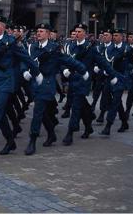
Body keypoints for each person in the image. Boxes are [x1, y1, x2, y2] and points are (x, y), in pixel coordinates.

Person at [0, 16, 41, 161]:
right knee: (1, 114)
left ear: (4, 27)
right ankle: (10, 141)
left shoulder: (11, 42)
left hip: (6, 81)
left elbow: (26, 58)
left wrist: (36, 73)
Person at [22, 23, 88, 156]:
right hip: (35, 83)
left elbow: (68, 60)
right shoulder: (32, 47)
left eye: (41, 31)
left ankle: (32, 140)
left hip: (47, 83)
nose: (38, 33)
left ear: (47, 33)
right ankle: (51, 134)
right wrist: (25, 71)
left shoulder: (54, 48)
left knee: (38, 111)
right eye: (37, 31)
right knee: (44, 111)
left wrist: (82, 70)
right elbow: (25, 60)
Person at [61, 23, 117, 145]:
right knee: (82, 106)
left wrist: (112, 75)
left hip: (83, 81)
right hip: (72, 80)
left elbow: (103, 63)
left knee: (75, 106)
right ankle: (88, 124)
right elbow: (63, 59)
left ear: (85, 34)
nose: (77, 34)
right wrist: (64, 69)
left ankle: (70, 132)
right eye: (75, 32)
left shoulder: (91, 49)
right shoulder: (71, 46)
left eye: (79, 32)